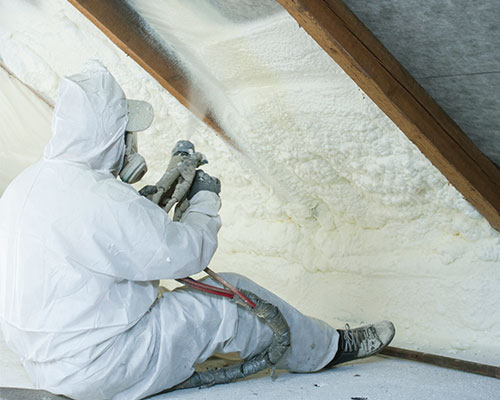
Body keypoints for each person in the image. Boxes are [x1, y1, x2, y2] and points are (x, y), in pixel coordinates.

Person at [0, 61, 395, 400]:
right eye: (125, 133)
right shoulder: (102, 200)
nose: (129, 142)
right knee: (231, 298)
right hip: (104, 366)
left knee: (176, 303)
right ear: (109, 136)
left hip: (45, 365)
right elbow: (186, 256)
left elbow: (99, 245)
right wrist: (204, 202)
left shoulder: (28, 185)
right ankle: (329, 350)